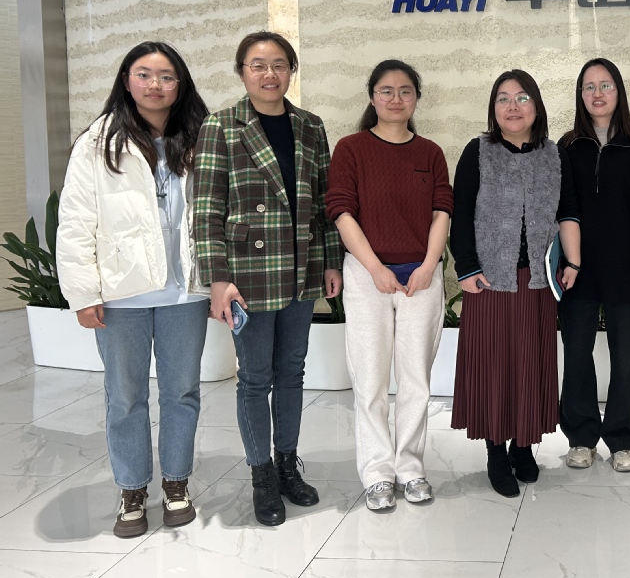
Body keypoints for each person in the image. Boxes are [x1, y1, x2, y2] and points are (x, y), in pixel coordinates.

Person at [57, 41, 210, 539]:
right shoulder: (97, 142)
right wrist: (83, 292)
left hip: (184, 292)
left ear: (180, 84)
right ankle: (131, 489)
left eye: (166, 76)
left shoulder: (201, 136)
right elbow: (75, 220)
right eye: (144, 74)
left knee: (182, 392)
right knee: (124, 396)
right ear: (126, 80)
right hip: (121, 295)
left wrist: (217, 280)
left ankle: (176, 483)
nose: (155, 85)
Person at [194, 31, 343, 526]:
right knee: (255, 378)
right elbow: (207, 210)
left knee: (292, 371)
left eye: (279, 64)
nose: (269, 73)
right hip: (248, 274)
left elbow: (324, 203)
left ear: (291, 71)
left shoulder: (310, 125)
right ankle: (261, 476)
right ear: (242, 71)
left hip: (300, 269)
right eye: (258, 65)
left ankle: (287, 465)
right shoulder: (220, 126)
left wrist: (330, 262)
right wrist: (217, 279)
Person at [326, 60, 453, 510]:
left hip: (421, 277)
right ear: (372, 97)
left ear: (416, 98)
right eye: (386, 90)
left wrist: (430, 264)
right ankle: (378, 472)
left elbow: (442, 210)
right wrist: (376, 268)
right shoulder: (351, 148)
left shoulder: (430, 153)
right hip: (367, 276)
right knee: (371, 380)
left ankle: (411, 468)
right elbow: (341, 211)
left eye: (405, 91)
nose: (395, 99)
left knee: (416, 379)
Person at [450, 70, 582, 497]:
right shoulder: (478, 151)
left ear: (536, 106)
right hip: (489, 280)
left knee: (530, 363)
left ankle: (523, 446)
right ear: (493, 108)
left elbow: (568, 210)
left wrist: (573, 262)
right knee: (493, 366)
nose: (512, 106)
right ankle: (495, 450)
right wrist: (467, 269)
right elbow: (460, 213)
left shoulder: (553, 155)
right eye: (503, 99)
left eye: (522, 98)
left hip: (537, 282)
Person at [558, 59, 630, 473]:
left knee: (626, 359)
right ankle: (581, 437)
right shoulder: (568, 146)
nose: (597, 94)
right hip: (578, 269)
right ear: (580, 95)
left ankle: (621, 438)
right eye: (589, 87)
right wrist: (567, 260)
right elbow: (562, 208)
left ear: (619, 92)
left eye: (605, 85)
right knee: (577, 353)